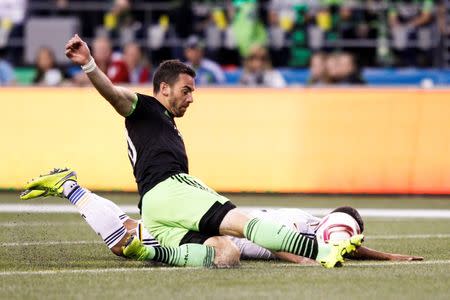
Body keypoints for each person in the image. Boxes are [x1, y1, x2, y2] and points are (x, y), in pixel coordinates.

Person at [33, 34, 365, 269]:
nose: (191, 97)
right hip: (171, 188)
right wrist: (90, 63)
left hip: (155, 206)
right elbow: (114, 96)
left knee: (226, 255)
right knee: (242, 222)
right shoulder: (145, 107)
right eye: (186, 90)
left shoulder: (161, 123)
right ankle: (323, 248)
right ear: (164, 88)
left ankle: (139, 244)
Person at [21, 181, 422, 265]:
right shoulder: (305, 225)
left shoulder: (321, 231)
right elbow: (282, 245)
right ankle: (71, 188)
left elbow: (351, 248)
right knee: (225, 256)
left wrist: (390, 257)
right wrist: (305, 260)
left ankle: (72, 189)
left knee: (123, 238)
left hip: (211, 222)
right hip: (217, 227)